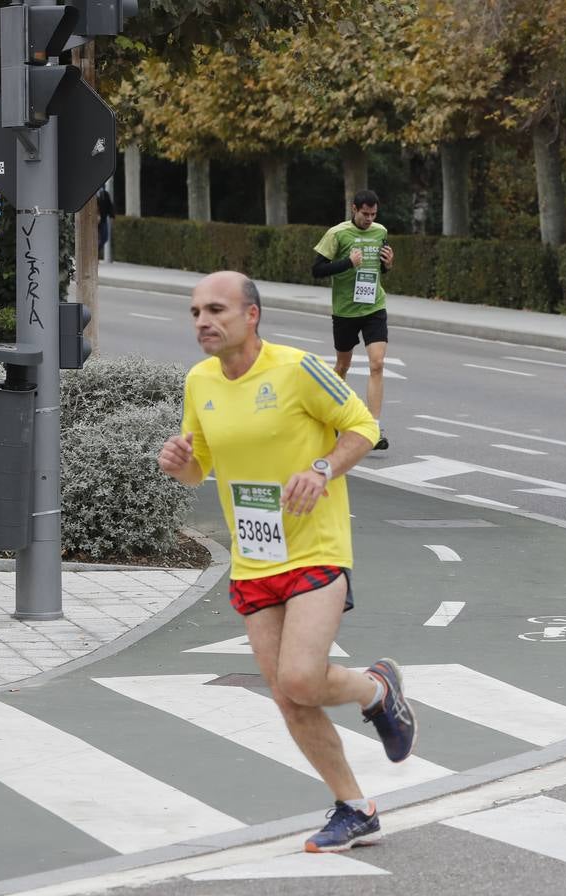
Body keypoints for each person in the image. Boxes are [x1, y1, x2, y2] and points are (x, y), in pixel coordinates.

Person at [157, 271, 417, 853]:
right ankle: (355, 807)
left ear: (251, 315)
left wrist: (321, 469)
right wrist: (181, 461)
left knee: (301, 677)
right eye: (196, 311)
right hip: (254, 556)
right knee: (286, 694)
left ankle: (376, 689)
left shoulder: (298, 369)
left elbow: (364, 427)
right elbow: (200, 466)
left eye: (216, 309)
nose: (203, 321)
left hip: (315, 547)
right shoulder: (199, 381)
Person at [312, 190, 395, 450]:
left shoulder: (380, 231)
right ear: (354, 209)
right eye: (365, 214)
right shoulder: (337, 234)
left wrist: (388, 265)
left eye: (373, 214)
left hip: (374, 307)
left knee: (377, 363)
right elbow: (317, 270)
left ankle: (373, 427)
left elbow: (380, 268)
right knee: (342, 365)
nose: (369, 219)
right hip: (345, 310)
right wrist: (347, 263)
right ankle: (333, 415)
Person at [96, 186, 114, 256]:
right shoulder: (93, 195)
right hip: (94, 220)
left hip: (103, 219)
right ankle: (94, 254)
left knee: (105, 237)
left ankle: (96, 251)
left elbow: (109, 206)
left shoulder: (105, 194)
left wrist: (112, 216)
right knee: (95, 237)